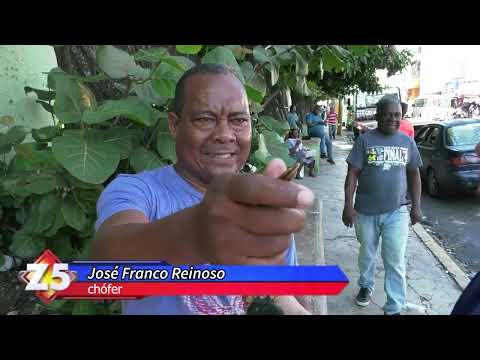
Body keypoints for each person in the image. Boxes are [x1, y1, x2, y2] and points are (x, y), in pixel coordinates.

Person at [92, 63, 314, 315]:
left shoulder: (263, 200)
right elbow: (106, 257)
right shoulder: (137, 191)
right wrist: (196, 234)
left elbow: (292, 291)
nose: (225, 135)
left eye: (238, 120)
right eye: (205, 119)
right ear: (174, 125)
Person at [342, 95, 423, 315]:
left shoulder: (407, 142)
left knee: (395, 260)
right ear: (378, 116)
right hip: (365, 212)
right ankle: (366, 286)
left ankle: (394, 306)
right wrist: (347, 205)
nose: (393, 119)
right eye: (388, 114)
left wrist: (416, 206)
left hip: (396, 212)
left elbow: (414, 175)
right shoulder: (365, 140)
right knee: (367, 254)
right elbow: (352, 175)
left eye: (397, 115)